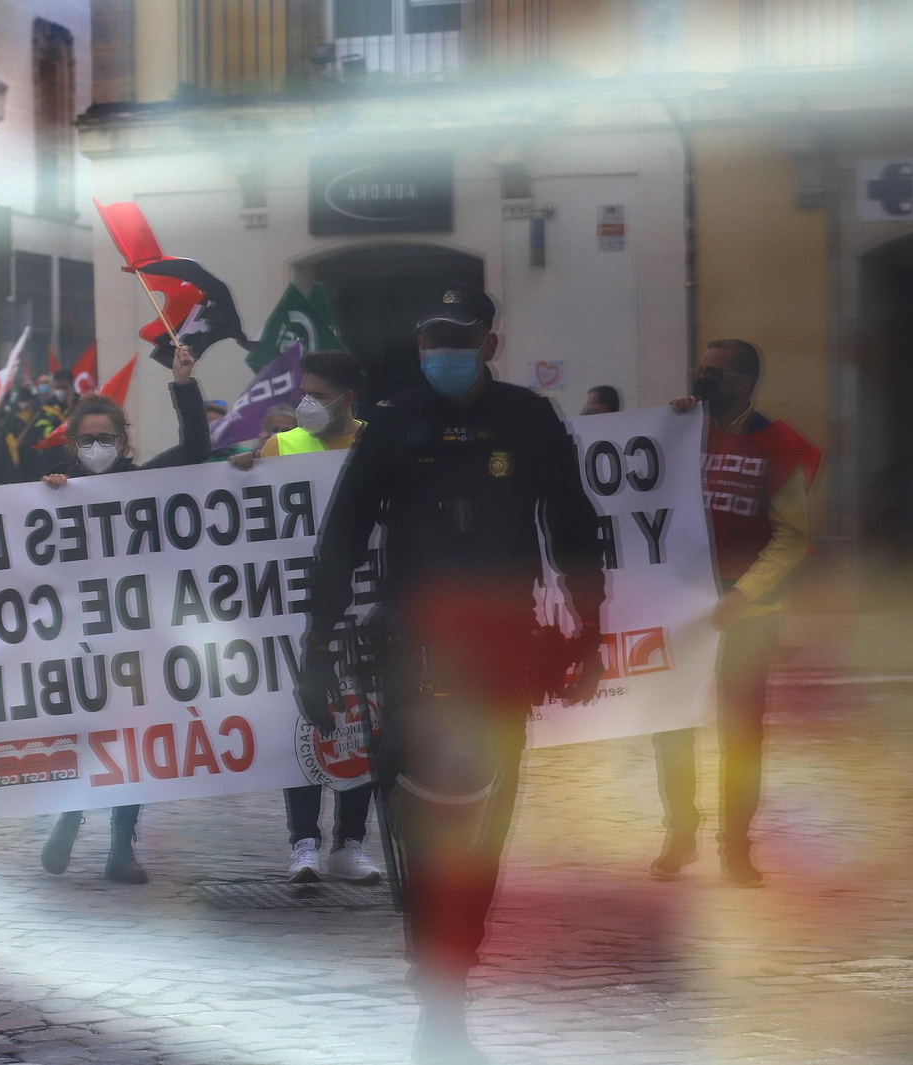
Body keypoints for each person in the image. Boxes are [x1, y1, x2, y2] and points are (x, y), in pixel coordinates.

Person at [298, 285, 606, 1064]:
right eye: (432, 338)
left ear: (489, 344)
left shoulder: (529, 420)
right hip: (411, 649)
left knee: (483, 823)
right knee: (418, 827)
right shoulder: (395, 422)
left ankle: (454, 971)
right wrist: (315, 643)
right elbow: (343, 536)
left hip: (502, 648)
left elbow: (572, 525)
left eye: (458, 338)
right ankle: (434, 986)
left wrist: (590, 628)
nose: (443, 351)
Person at [650, 340, 820, 888]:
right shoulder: (681, 431)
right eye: (699, 370)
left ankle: (736, 846)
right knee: (671, 727)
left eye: (714, 374)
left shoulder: (779, 445)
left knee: (742, 735)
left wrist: (741, 596)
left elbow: (792, 539)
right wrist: (668, 423)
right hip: (680, 609)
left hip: (747, 614)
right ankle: (680, 830)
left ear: (744, 383)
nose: (702, 379)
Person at [39, 344, 210, 885]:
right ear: (71, 443)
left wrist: (183, 383)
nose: (96, 447)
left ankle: (121, 848)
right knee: (86, 732)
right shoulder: (52, 490)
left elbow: (197, 449)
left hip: (138, 635)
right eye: (86, 439)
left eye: (106, 438)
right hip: (79, 637)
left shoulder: (147, 481)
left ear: (123, 441)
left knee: (134, 739)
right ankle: (67, 821)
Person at [229, 351, 381, 884]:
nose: (307, 403)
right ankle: (305, 842)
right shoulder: (282, 445)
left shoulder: (375, 443)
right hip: (298, 609)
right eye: (305, 392)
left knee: (359, 720)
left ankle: (352, 843)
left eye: (319, 394)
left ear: (348, 399)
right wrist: (246, 469)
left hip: (362, 605)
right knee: (305, 718)